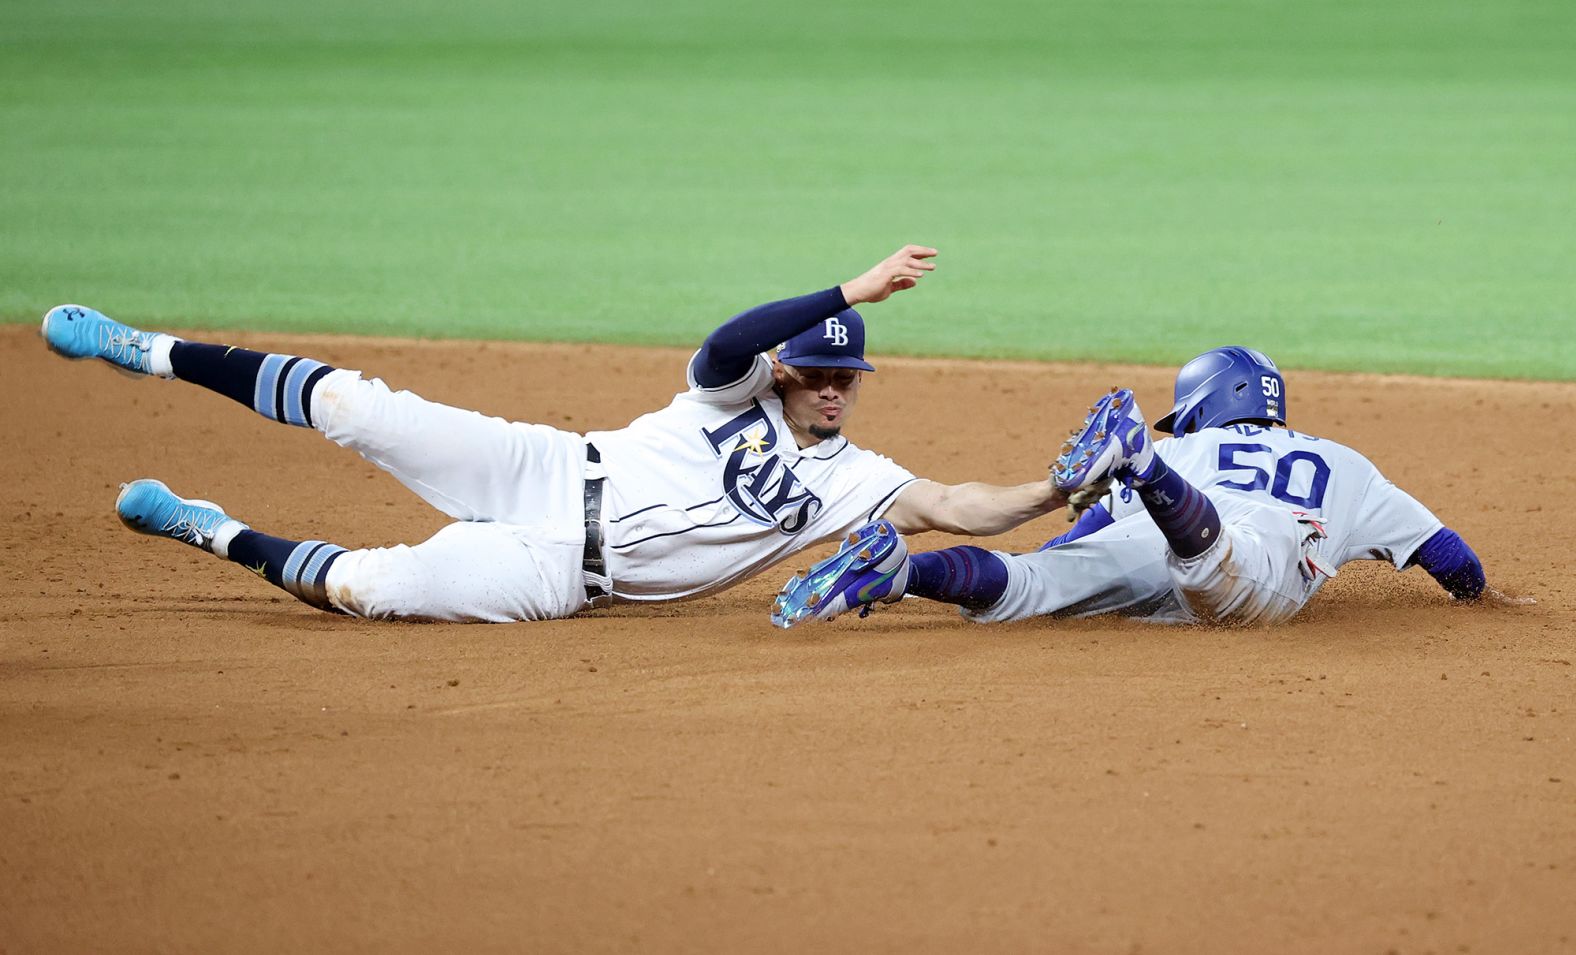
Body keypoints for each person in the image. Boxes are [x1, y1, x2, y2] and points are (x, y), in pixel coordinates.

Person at [42, 245, 1077, 623]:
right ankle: (148, 350)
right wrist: (849, 290)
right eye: (822, 368)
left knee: (373, 588)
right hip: (542, 461)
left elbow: (953, 509)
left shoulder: (858, 477)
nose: (836, 387)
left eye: (850, 374)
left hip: (555, 576)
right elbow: (729, 338)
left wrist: (1053, 488)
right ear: (791, 367)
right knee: (356, 407)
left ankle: (207, 530)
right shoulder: (736, 387)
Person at [772, 345, 1530, 628]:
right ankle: (1143, 464)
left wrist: (1056, 559)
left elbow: (1073, 542)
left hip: (1146, 531)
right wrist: (1479, 599)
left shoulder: (1195, 444)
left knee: (1030, 583)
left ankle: (904, 570)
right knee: (1219, 578)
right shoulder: (1346, 463)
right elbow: (1448, 552)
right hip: (1242, 548)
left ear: (1199, 413)